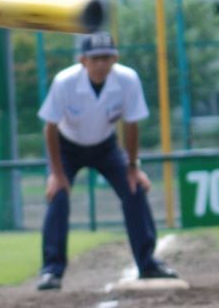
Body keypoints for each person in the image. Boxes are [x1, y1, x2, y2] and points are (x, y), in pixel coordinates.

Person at [35, 31, 177, 290]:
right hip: (67, 147)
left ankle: (147, 263)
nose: (101, 64)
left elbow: (132, 125)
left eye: (106, 58)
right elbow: (50, 127)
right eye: (95, 58)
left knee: (134, 190)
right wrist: (56, 174)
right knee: (59, 197)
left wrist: (133, 167)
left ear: (115, 59)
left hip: (106, 146)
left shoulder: (127, 79)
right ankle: (51, 270)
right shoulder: (64, 82)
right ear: (82, 60)